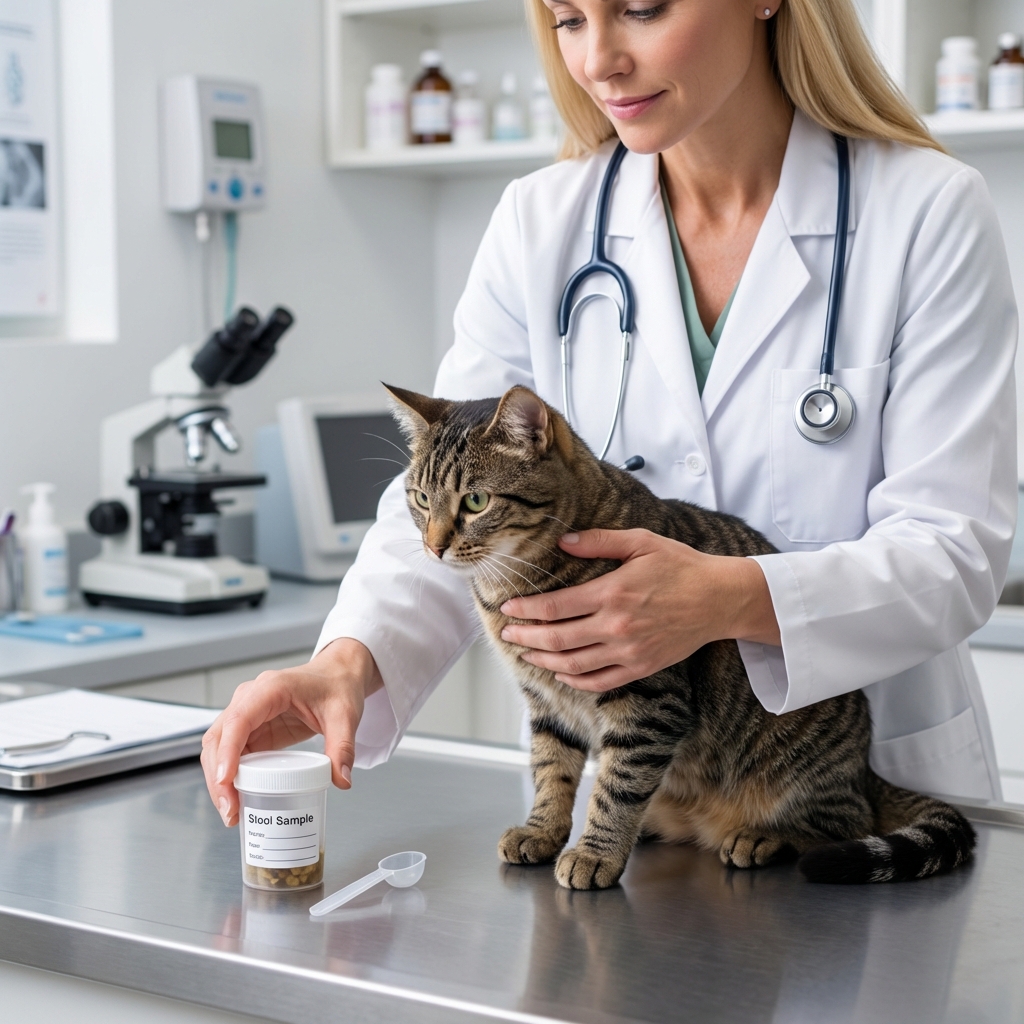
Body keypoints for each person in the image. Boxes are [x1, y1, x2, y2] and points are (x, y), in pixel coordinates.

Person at [203, 0, 1017, 825]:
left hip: (851, 782)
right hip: (641, 809)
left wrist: (730, 597)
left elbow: (956, 549)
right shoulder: (541, 222)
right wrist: (349, 660)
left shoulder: (926, 211)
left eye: (639, 9)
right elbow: (451, 502)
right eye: (568, 19)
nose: (597, 61)